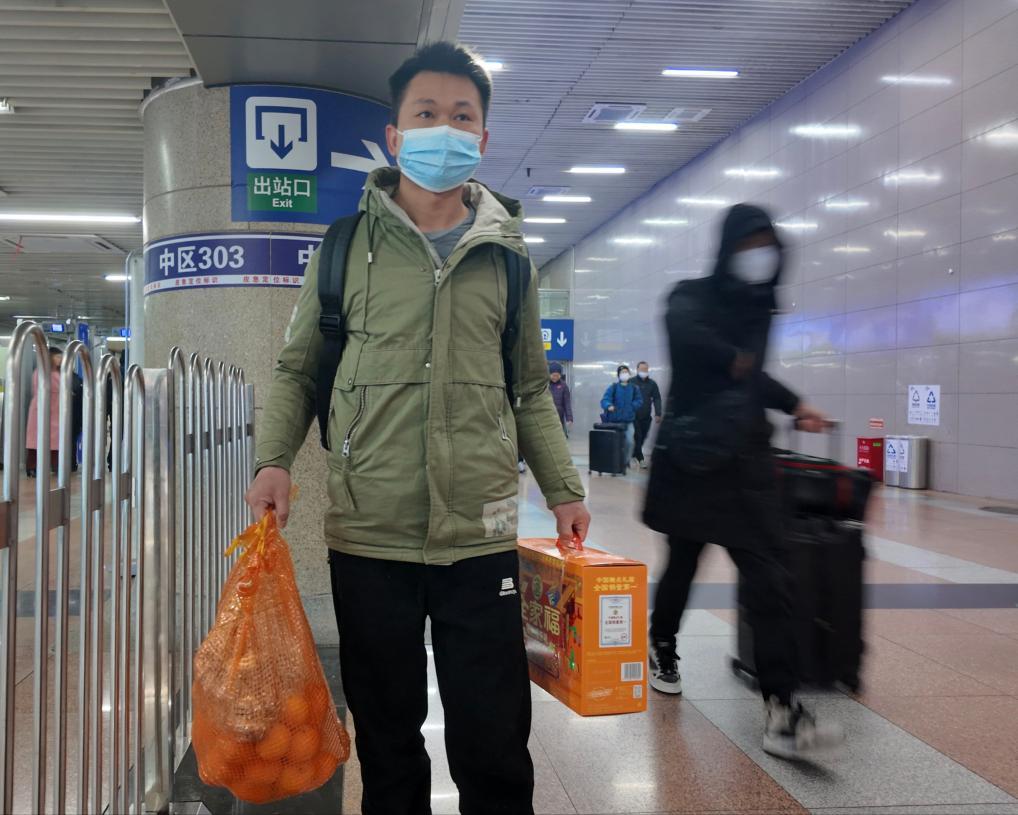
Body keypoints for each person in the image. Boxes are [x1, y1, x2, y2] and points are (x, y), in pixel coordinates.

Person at [245, 42, 590, 815]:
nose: (445, 130)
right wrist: (274, 460)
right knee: (388, 737)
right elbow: (298, 370)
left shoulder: (509, 260)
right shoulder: (344, 248)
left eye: (461, 116)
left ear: (483, 138)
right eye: (427, 113)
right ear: (396, 136)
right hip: (371, 533)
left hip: (480, 532)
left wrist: (564, 489)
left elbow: (529, 387)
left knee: (494, 739)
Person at [643, 203, 843, 760]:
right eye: (749, 245)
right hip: (693, 461)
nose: (759, 257)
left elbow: (752, 379)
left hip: (746, 466)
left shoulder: (760, 307)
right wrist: (735, 360)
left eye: (767, 247)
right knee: (683, 563)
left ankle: (782, 709)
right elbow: (686, 335)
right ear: (728, 248)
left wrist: (795, 404)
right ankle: (662, 643)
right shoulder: (690, 296)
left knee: (771, 582)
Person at [25, 346, 62, 478]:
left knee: (55, 442)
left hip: (55, 411)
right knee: (36, 441)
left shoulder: (56, 373)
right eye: (57, 357)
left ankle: (55, 466)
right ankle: (32, 467)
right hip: (40, 411)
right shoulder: (41, 373)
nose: (60, 360)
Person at [600, 365, 643, 466]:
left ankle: (625, 462)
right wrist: (608, 405)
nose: (625, 374)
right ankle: (614, 461)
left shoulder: (634, 388)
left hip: (628, 421)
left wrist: (632, 406)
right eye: (622, 372)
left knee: (630, 442)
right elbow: (604, 400)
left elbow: (639, 400)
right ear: (618, 375)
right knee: (615, 443)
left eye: (626, 372)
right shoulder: (613, 387)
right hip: (615, 422)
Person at [631, 361, 662, 469]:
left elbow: (657, 398)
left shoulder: (652, 384)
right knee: (638, 436)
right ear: (637, 370)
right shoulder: (631, 382)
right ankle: (640, 458)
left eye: (645, 369)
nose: (644, 371)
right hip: (633, 416)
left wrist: (658, 413)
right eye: (642, 369)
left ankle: (634, 453)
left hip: (646, 416)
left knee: (644, 436)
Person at [548, 362, 572, 437]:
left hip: (559, 417)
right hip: (547, 416)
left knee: (559, 436)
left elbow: (567, 403)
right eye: (553, 375)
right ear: (549, 374)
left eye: (557, 375)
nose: (555, 377)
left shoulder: (564, 386)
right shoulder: (545, 385)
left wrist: (569, 418)